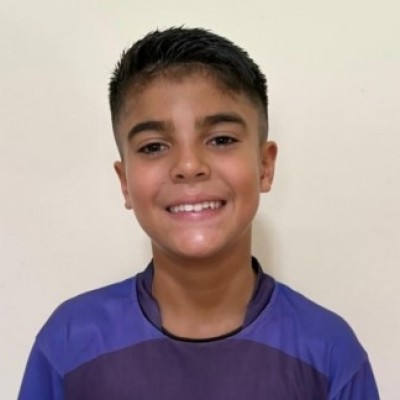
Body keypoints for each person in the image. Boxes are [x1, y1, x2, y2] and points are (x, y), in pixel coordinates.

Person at [18, 27, 379, 399]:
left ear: (265, 166)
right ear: (125, 182)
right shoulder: (68, 344)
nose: (189, 166)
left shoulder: (329, 352)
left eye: (221, 139)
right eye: (154, 146)